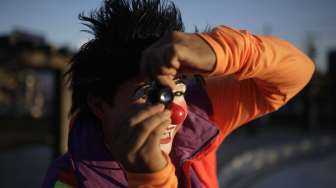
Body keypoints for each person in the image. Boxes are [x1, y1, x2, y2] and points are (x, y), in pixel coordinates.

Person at [42, 0, 315, 187]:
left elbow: (298, 72)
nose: (178, 111)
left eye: (180, 89)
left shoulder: (201, 115)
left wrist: (222, 49)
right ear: (100, 105)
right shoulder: (68, 180)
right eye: (152, 93)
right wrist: (150, 179)